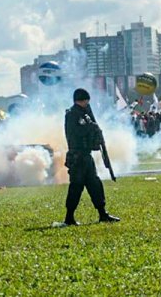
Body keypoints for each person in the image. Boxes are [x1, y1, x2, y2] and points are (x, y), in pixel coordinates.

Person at [63, 88, 120, 226]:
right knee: (76, 187)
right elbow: (77, 132)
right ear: (82, 100)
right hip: (77, 156)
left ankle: (102, 214)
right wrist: (91, 127)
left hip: (86, 156)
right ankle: (69, 218)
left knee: (95, 185)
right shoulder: (72, 114)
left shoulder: (84, 113)